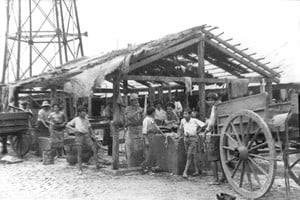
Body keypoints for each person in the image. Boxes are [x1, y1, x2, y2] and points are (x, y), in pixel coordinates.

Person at [66, 107, 99, 174]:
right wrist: (74, 130)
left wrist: (93, 136)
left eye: (85, 112)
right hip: (79, 136)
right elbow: (67, 125)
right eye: (83, 112)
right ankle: (80, 169)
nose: (85, 113)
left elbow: (90, 128)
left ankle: (97, 165)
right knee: (79, 153)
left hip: (86, 135)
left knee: (94, 149)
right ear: (79, 112)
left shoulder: (86, 119)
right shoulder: (76, 119)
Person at [204, 93, 226, 185]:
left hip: (216, 133)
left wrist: (206, 130)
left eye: (210, 100)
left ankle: (215, 179)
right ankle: (224, 176)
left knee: (212, 157)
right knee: (221, 156)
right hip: (224, 132)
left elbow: (212, 122)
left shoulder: (215, 107)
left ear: (214, 100)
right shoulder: (224, 105)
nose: (208, 102)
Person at [179, 108, 205, 178]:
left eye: (186, 114)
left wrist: (198, 132)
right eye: (183, 114)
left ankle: (185, 172)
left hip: (193, 139)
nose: (184, 115)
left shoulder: (194, 120)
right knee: (192, 155)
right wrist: (181, 135)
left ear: (190, 115)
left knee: (189, 155)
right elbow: (180, 128)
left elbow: (203, 125)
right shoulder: (182, 121)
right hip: (186, 139)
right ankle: (196, 170)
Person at [124, 93, 144, 167]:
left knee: (140, 147)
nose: (136, 101)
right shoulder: (128, 108)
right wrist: (138, 112)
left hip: (139, 128)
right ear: (131, 101)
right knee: (131, 147)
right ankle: (131, 164)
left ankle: (139, 163)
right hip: (131, 129)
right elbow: (129, 116)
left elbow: (142, 119)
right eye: (134, 100)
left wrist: (142, 113)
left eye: (137, 99)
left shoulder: (139, 108)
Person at [141, 107, 162, 173]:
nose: (155, 113)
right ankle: (143, 166)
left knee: (152, 153)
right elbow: (144, 131)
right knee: (148, 153)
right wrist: (146, 140)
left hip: (153, 136)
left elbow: (157, 128)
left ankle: (150, 167)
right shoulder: (146, 120)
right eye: (154, 112)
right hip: (148, 136)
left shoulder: (152, 119)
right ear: (152, 112)